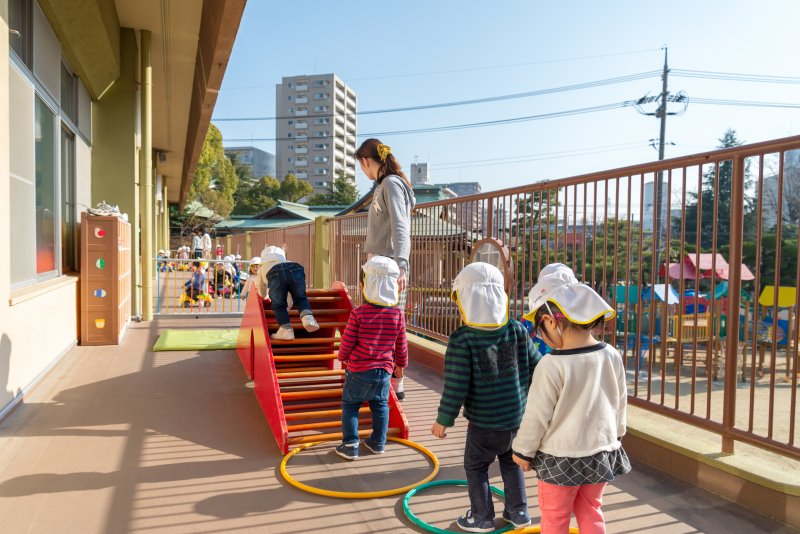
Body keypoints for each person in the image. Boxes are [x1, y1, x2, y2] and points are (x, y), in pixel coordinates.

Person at [512, 263, 631, 534]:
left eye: (539, 328)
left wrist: (523, 451)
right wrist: (618, 433)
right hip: (601, 451)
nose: (541, 335)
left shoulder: (551, 365)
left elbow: (537, 416)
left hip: (560, 457)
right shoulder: (611, 354)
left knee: (555, 517)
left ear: (551, 321)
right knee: (591, 509)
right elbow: (619, 400)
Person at [430, 262, 541, 533]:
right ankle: (519, 512)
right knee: (511, 463)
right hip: (516, 420)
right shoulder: (516, 329)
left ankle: (481, 518)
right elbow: (539, 367)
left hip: (484, 425)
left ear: (465, 301)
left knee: (476, 466)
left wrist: (444, 419)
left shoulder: (463, 339)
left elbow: (456, 385)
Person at [357, 138, 416, 400]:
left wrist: (401, 265)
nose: (363, 170)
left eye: (361, 165)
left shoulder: (391, 184)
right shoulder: (383, 185)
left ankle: (396, 383)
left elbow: (400, 226)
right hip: (380, 266)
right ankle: (383, 381)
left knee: (392, 326)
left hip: (390, 268)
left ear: (366, 161)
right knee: (383, 326)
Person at [335, 256, 408, 460]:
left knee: (350, 405)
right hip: (384, 371)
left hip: (359, 370)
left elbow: (347, 341)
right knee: (380, 405)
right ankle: (378, 442)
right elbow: (401, 344)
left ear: (364, 285)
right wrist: (401, 365)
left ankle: (350, 445)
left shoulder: (359, 313)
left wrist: (343, 357)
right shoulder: (397, 315)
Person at [256, 245, 319, 340]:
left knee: (279, 305)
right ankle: (308, 318)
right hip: (295, 267)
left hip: (274, 274)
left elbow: (260, 287)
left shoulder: (262, 268)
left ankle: (286, 330)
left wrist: (264, 296)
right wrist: (290, 304)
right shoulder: (285, 262)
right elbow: (289, 291)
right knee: (301, 298)